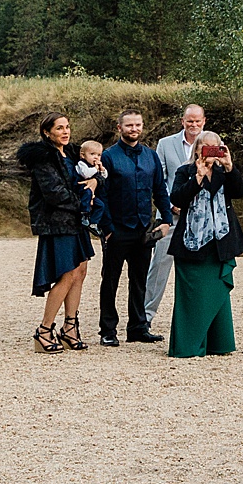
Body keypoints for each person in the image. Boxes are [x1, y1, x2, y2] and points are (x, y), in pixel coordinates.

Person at [19, 113, 96, 351]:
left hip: (76, 221)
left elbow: (90, 175)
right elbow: (54, 193)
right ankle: (43, 331)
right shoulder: (43, 158)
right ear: (47, 132)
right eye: (59, 128)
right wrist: (84, 200)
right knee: (67, 274)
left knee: (80, 271)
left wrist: (95, 183)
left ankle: (69, 327)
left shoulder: (72, 153)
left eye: (67, 127)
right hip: (57, 222)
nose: (65, 131)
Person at [167, 134, 243, 358]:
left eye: (215, 147)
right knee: (192, 294)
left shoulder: (224, 172)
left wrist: (230, 167)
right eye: (206, 147)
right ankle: (188, 345)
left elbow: (241, 191)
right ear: (197, 149)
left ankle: (218, 343)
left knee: (217, 292)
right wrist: (198, 177)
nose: (210, 151)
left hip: (220, 241)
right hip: (191, 242)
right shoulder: (185, 171)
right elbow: (177, 199)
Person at [97, 111, 172, 346]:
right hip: (117, 229)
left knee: (139, 280)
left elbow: (160, 190)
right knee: (110, 280)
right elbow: (102, 194)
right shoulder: (109, 157)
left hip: (143, 228)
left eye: (137, 125)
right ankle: (108, 331)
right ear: (119, 128)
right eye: (129, 125)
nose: (134, 129)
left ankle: (138, 327)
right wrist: (107, 228)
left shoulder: (150, 156)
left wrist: (166, 220)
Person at [147, 103, 209, 332]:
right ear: (182, 121)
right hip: (170, 215)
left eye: (197, 121)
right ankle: (145, 317)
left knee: (199, 268)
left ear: (204, 121)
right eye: (189, 121)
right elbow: (159, 179)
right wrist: (170, 205)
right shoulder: (165, 144)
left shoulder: (212, 143)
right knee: (159, 266)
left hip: (202, 218)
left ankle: (198, 320)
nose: (193, 125)